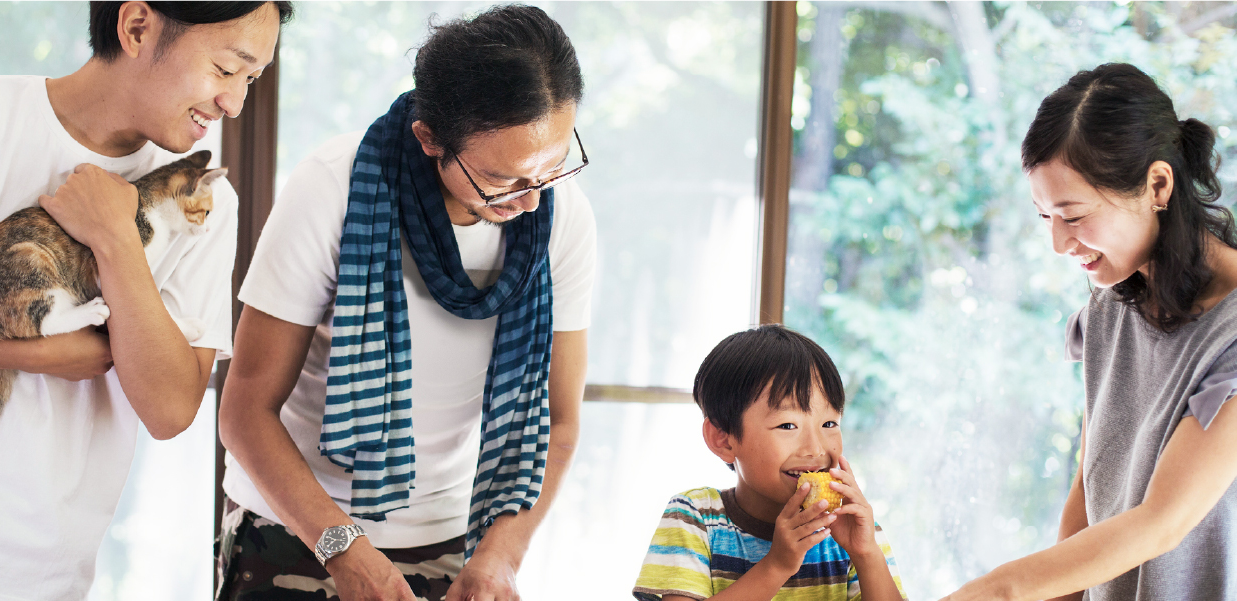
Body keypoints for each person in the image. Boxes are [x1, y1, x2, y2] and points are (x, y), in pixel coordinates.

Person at [215, 5, 595, 601]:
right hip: (292, 528)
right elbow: (244, 413)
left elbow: (562, 422)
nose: (531, 199)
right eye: (503, 179)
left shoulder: (560, 214)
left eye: (552, 167)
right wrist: (347, 552)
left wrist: (499, 559)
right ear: (430, 140)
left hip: (451, 535)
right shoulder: (333, 188)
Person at [0, 2, 291, 599]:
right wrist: (41, 355)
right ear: (136, 27)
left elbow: (171, 408)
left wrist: (115, 236)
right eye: (227, 68)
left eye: (251, 81)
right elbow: (90, 359)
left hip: (42, 570)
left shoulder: (202, 200)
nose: (234, 103)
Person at [942, 63, 1237, 601]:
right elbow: (1091, 480)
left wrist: (998, 591)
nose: (1058, 243)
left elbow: (1162, 522)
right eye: (1044, 217)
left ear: (1158, 184)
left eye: (1072, 216)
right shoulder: (1110, 302)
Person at [633, 325, 907, 601]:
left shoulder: (857, 532)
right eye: (788, 425)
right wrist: (776, 566)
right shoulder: (695, 518)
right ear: (724, 440)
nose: (815, 448)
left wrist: (866, 553)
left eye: (829, 423)